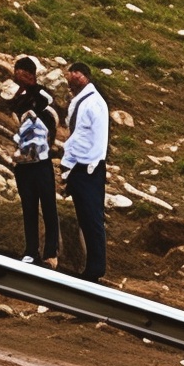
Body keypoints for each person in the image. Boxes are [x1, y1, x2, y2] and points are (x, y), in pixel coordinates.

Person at [4, 56, 60, 267]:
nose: (18, 79)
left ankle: (51, 252)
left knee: (48, 205)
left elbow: (53, 115)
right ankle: (31, 250)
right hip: (24, 161)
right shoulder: (18, 97)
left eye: (21, 74)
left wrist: (49, 140)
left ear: (30, 74)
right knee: (28, 206)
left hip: (42, 160)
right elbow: (9, 108)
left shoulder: (42, 95)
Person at [58, 58, 111, 281]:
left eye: (73, 76)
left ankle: (96, 267)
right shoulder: (81, 101)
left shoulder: (93, 103)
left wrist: (80, 165)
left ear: (82, 75)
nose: (70, 82)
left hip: (88, 166)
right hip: (82, 166)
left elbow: (92, 137)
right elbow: (77, 134)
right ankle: (92, 265)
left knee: (91, 217)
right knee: (85, 217)